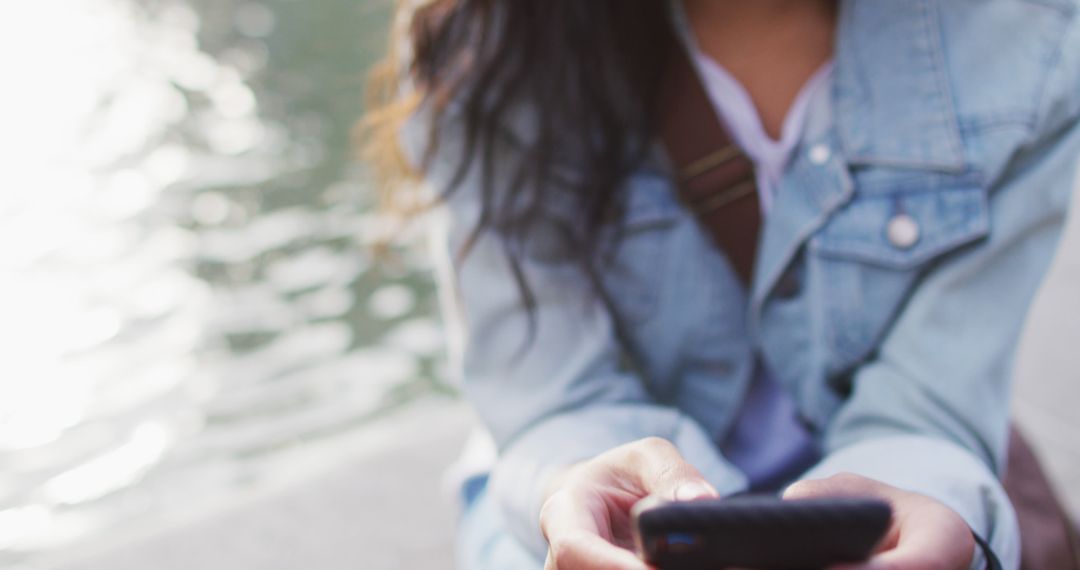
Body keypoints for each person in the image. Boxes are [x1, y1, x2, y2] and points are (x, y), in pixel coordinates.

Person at [363, 0, 1080, 568]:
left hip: (873, 473)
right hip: (584, 475)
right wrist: (578, 486)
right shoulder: (484, 44)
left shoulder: (1030, 41)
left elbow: (929, 404)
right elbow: (551, 397)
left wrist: (925, 498)